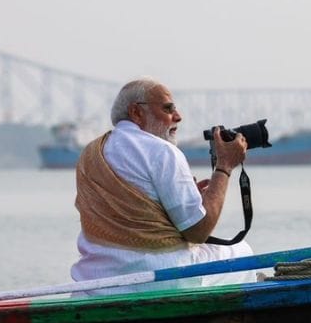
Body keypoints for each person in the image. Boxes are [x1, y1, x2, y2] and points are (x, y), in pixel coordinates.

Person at [70, 77, 253, 291]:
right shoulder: (163, 151)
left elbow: (134, 212)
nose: (178, 116)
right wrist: (225, 166)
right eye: (168, 109)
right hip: (162, 279)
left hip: (96, 281)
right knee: (241, 251)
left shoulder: (91, 152)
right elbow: (197, 232)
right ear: (137, 112)